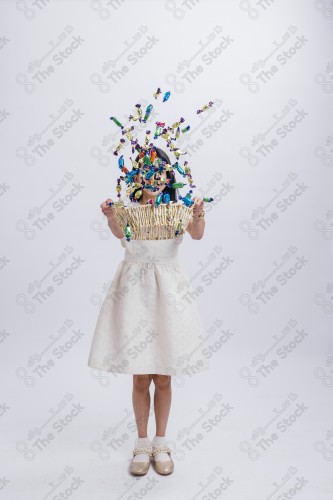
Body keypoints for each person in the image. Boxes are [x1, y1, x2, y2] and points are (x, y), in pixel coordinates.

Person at [87, 147, 208, 476]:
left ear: (168, 177)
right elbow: (119, 235)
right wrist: (111, 217)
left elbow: (196, 235)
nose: (151, 179)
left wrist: (198, 215)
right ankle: (141, 443)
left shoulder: (176, 210)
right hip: (135, 293)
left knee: (164, 374)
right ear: (135, 177)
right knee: (141, 374)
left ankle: (161, 441)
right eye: (144, 173)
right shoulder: (128, 212)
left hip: (168, 294)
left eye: (158, 173)